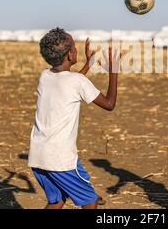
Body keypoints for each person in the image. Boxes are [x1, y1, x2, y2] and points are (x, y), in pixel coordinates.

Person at [28, 27, 120, 209]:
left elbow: (69, 84)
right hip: (61, 160)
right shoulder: (77, 82)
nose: (77, 49)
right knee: (90, 202)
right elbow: (109, 104)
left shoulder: (45, 76)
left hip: (37, 157)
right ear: (70, 55)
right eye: (74, 47)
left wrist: (88, 65)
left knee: (57, 201)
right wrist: (114, 71)